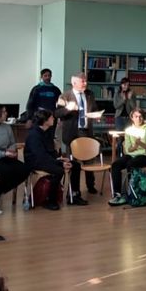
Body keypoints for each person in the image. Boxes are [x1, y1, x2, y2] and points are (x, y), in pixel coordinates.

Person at [56, 74, 97, 205]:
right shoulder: (65, 96)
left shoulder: (90, 94)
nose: (85, 83)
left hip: (87, 130)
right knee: (74, 164)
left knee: (89, 160)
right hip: (72, 133)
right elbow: (57, 113)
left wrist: (96, 115)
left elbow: (94, 108)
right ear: (74, 83)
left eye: (86, 81)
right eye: (82, 81)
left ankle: (90, 185)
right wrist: (68, 109)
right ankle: (74, 193)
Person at [24, 108, 71, 211]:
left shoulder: (47, 132)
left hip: (46, 159)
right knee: (58, 171)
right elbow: (40, 156)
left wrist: (60, 159)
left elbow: (51, 151)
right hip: (35, 162)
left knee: (75, 165)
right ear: (45, 121)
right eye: (51, 117)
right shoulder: (34, 135)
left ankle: (75, 195)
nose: (53, 119)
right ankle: (50, 200)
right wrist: (59, 163)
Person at [109, 108, 146, 207]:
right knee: (116, 164)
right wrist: (135, 146)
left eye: (140, 116)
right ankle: (118, 194)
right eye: (136, 116)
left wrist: (141, 143)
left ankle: (132, 193)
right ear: (132, 118)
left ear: (143, 117)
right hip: (131, 155)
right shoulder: (129, 130)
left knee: (131, 164)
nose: (138, 118)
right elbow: (127, 149)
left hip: (145, 156)